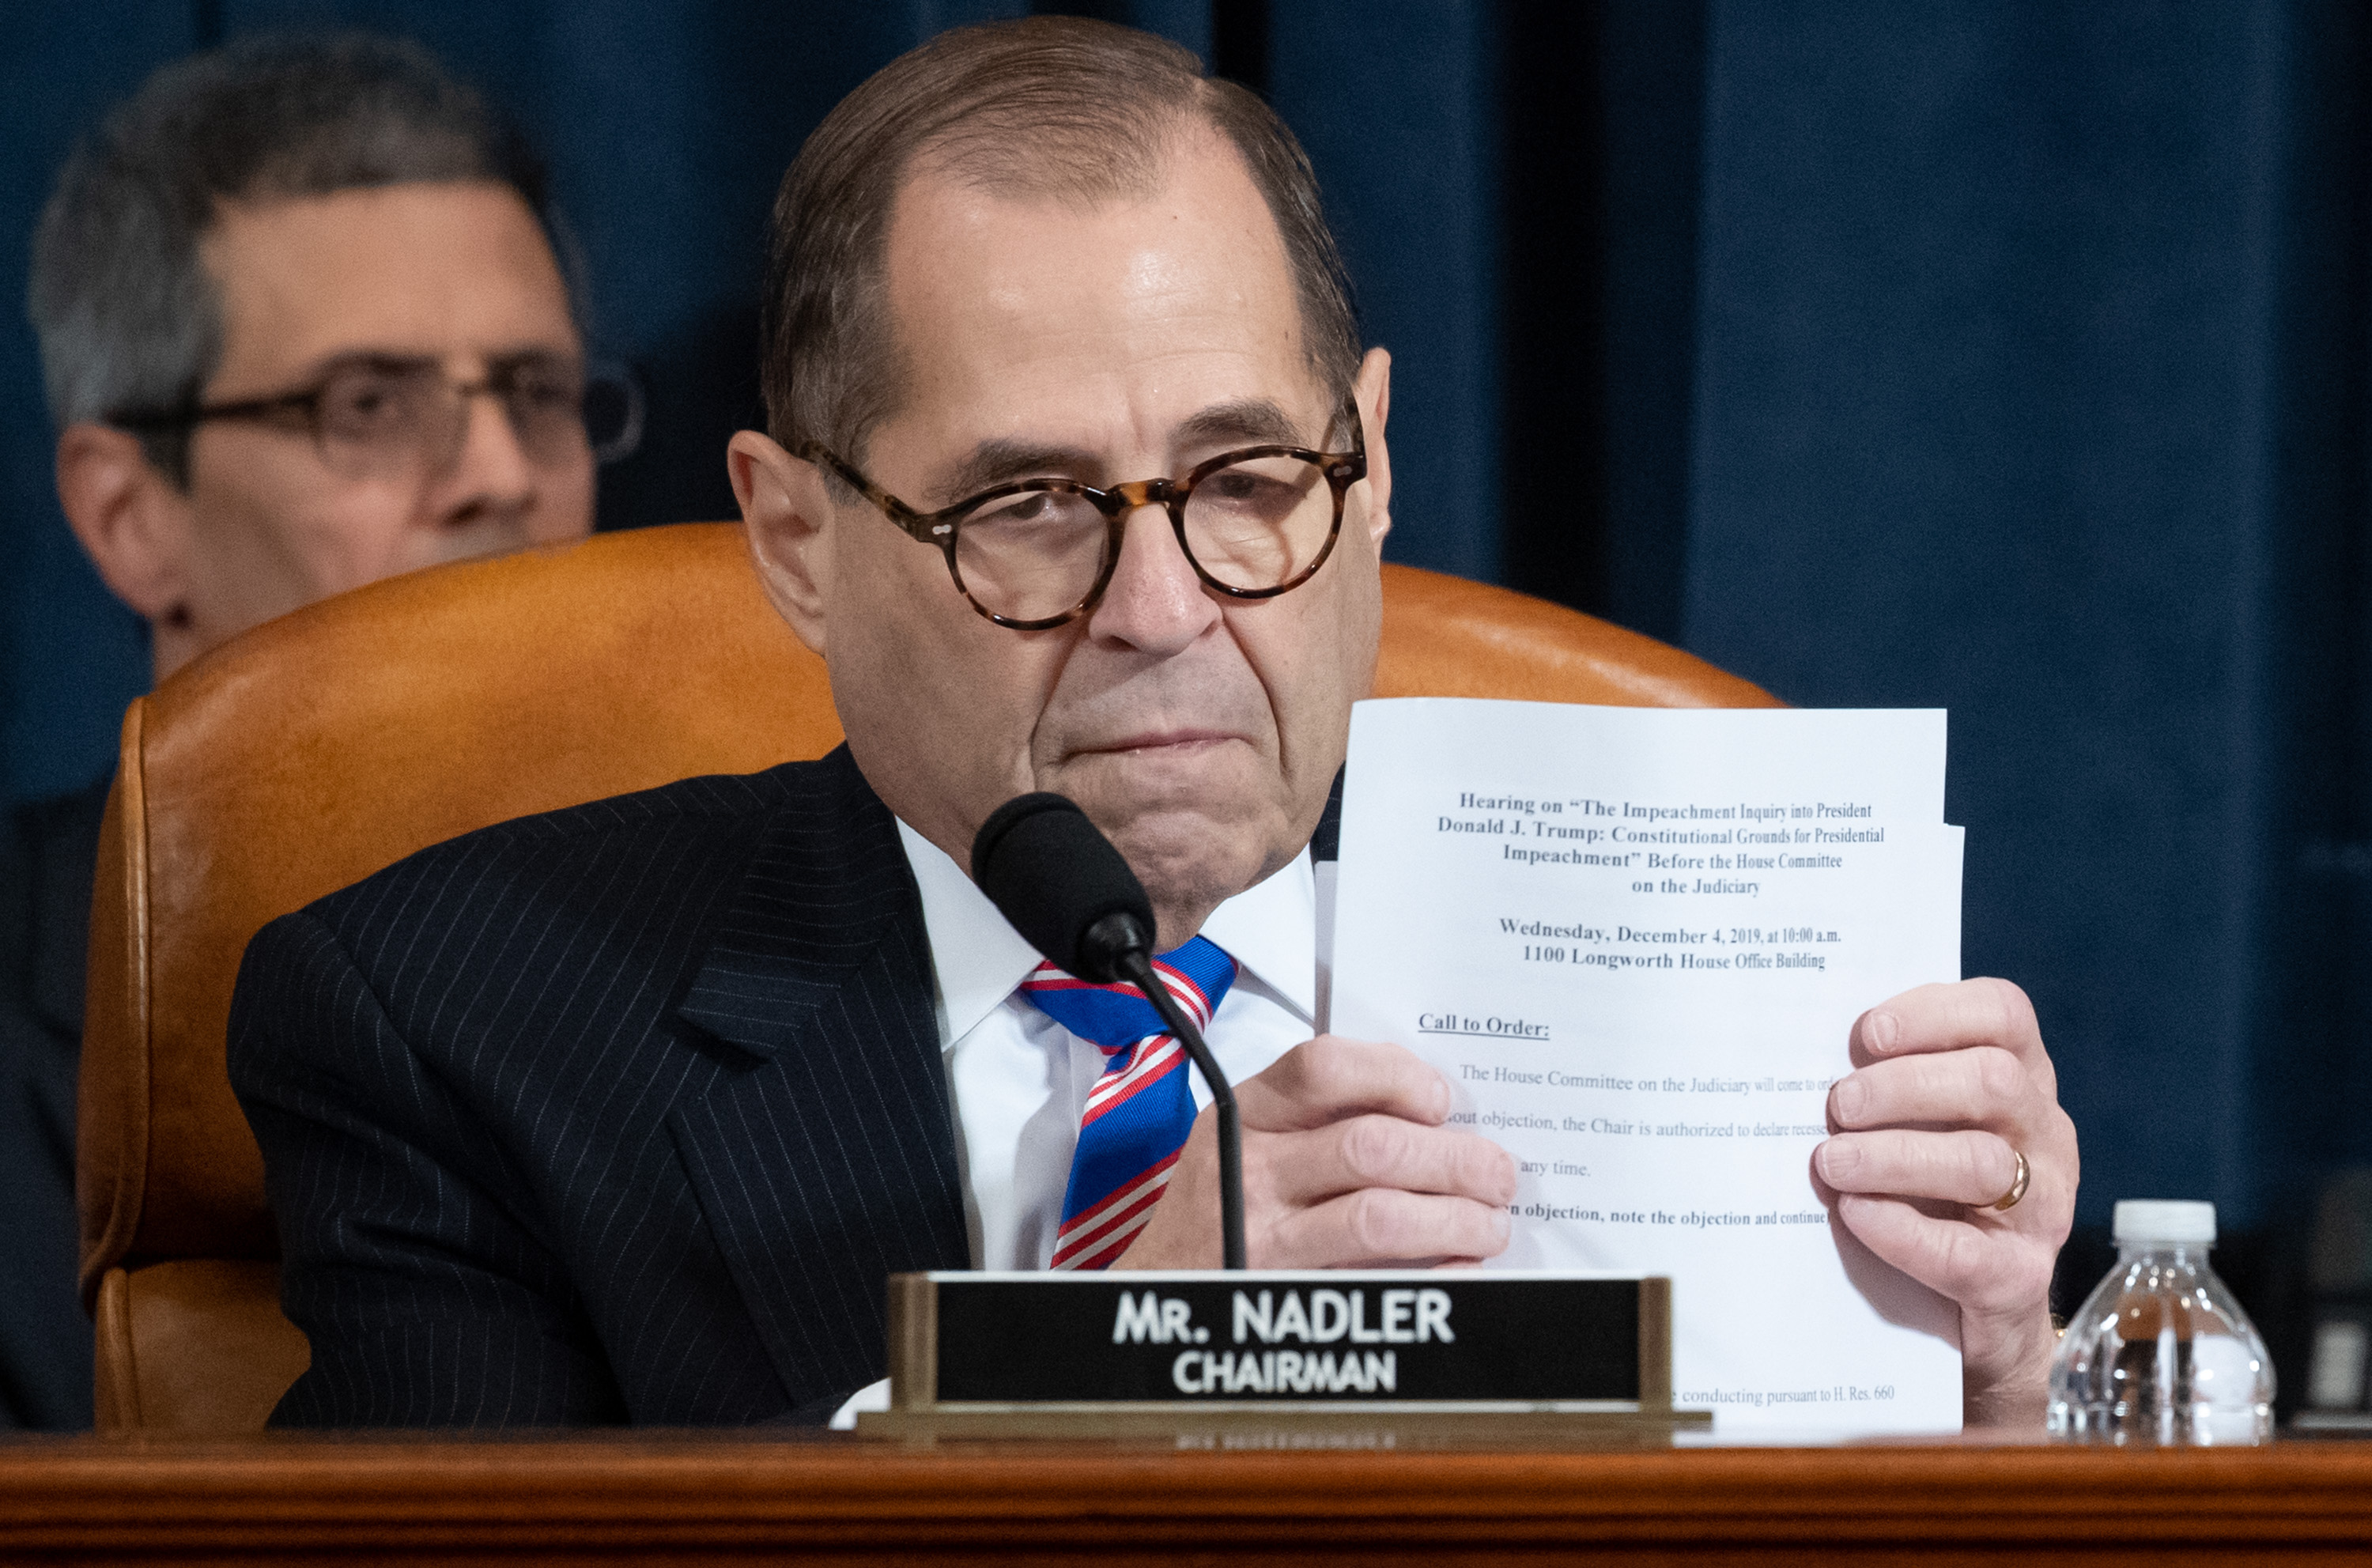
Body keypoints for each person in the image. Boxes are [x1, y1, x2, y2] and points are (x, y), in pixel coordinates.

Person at [229, 17, 2077, 1430]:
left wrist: (1994, 1406)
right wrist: (1084, 1379)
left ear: (1367, 471)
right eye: (1027, 505)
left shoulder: (1727, 1014)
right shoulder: (452, 1019)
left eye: (1248, 476)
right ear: (797, 541)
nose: (1167, 610)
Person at [4, 32, 602, 1429]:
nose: (503, 478)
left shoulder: (769, 963)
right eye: (370, 408)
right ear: (129, 517)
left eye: (537, 396)